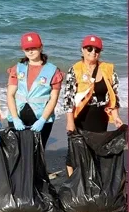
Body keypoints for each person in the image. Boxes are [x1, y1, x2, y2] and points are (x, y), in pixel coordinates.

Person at [62, 35, 123, 175]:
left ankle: (92, 181)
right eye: (89, 48)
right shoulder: (75, 69)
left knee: (96, 149)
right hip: (81, 116)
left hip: (100, 116)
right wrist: (70, 122)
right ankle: (73, 182)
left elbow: (113, 96)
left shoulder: (108, 69)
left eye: (97, 50)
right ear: (82, 50)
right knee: (75, 151)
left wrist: (116, 116)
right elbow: (68, 98)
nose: (93, 52)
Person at [6, 32, 63, 149]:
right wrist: (15, 118)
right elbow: (10, 95)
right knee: (18, 152)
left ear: (41, 48)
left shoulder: (53, 71)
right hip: (18, 116)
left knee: (37, 154)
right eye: (27, 49)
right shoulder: (17, 68)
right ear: (23, 51)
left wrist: (42, 120)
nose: (31, 51)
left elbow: (53, 98)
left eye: (34, 48)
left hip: (41, 117)